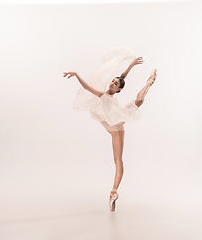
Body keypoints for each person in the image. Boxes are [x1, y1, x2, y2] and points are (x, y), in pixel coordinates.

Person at [63, 47, 157, 211]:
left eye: (116, 84)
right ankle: (114, 193)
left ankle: (114, 192)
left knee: (138, 102)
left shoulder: (105, 96)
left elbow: (87, 87)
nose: (113, 83)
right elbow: (119, 78)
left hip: (117, 125)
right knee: (117, 160)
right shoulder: (104, 94)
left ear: (118, 90)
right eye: (113, 81)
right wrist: (131, 66)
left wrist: (77, 75)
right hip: (111, 124)